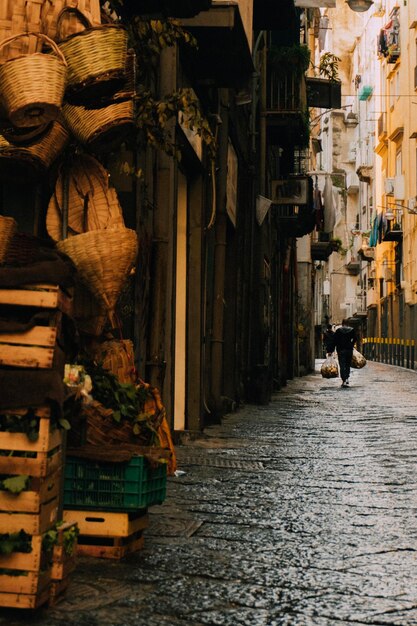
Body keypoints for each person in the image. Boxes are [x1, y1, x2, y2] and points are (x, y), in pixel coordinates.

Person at [333, 319, 357, 387]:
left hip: (341, 350)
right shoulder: (352, 330)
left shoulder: (338, 331)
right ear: (348, 323)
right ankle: (347, 378)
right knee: (347, 365)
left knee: (342, 365)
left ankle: (344, 380)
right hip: (349, 350)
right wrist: (351, 344)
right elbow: (355, 338)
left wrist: (331, 349)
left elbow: (334, 340)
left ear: (342, 323)